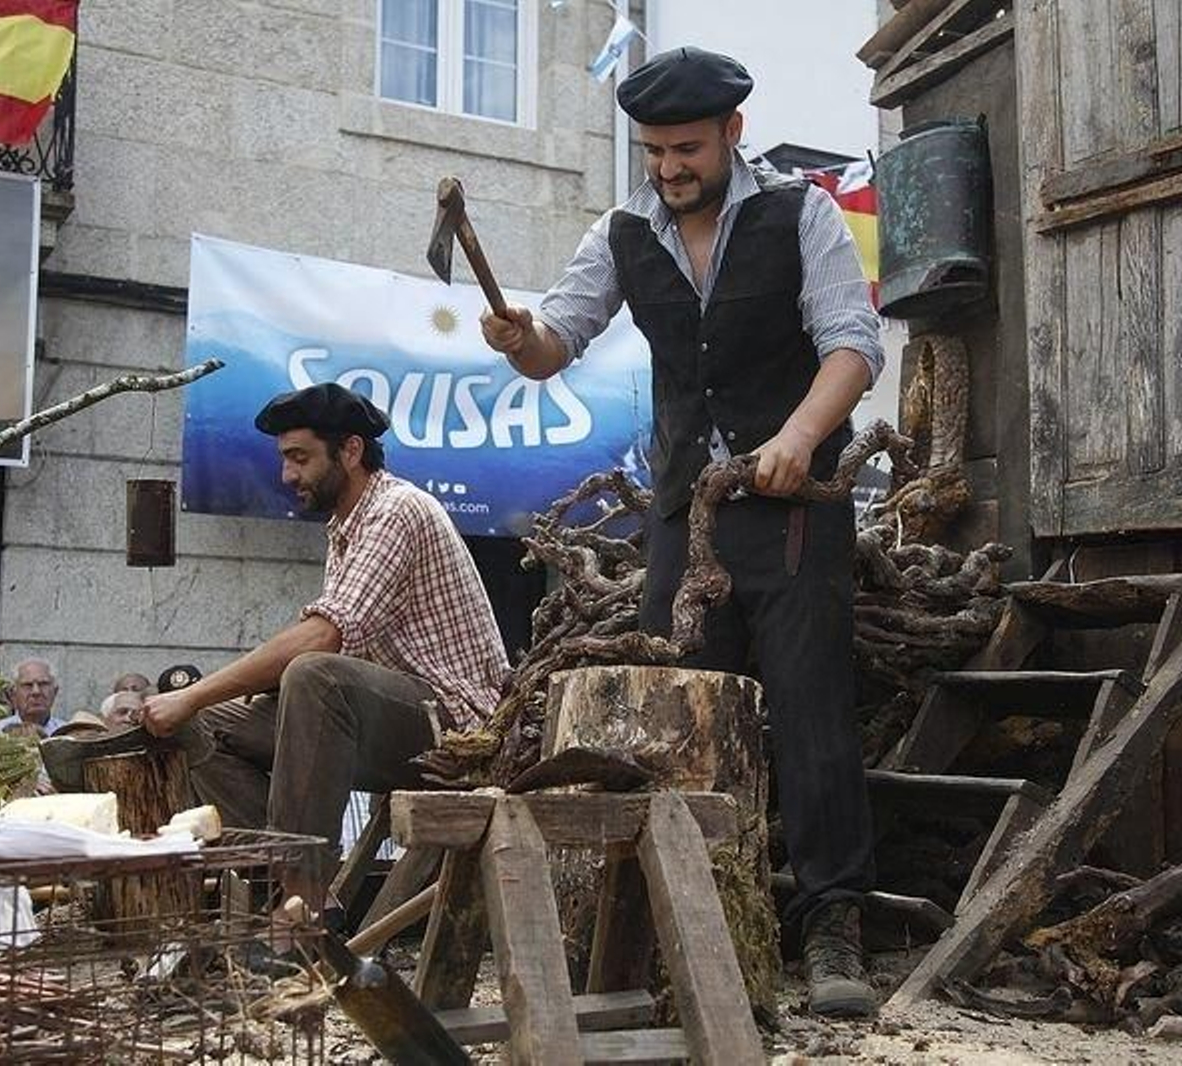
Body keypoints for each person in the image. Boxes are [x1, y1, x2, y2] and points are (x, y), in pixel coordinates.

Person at [479, 46, 882, 1018]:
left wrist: (798, 436)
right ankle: (685, 925)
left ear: (732, 135)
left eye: (686, 148)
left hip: (790, 509)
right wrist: (517, 336)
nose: (668, 167)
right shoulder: (623, 232)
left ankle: (832, 928)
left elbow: (852, 346)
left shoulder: (800, 212)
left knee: (813, 709)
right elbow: (554, 343)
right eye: (654, 150)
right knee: (674, 719)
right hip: (682, 515)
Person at [140, 382, 510, 910]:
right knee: (203, 723)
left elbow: (325, 637)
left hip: (458, 728)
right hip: (387, 723)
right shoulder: (345, 529)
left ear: (351, 450)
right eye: (285, 459)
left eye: (300, 458)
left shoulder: (397, 510)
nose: (288, 475)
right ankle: (284, 879)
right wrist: (197, 704)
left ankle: (302, 904)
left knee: (314, 675)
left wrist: (192, 691)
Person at [0, 658, 69, 736]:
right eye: (28, 685)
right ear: (13, 695)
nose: (36, 692)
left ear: (55, 692)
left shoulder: (68, 734)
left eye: (43, 684)